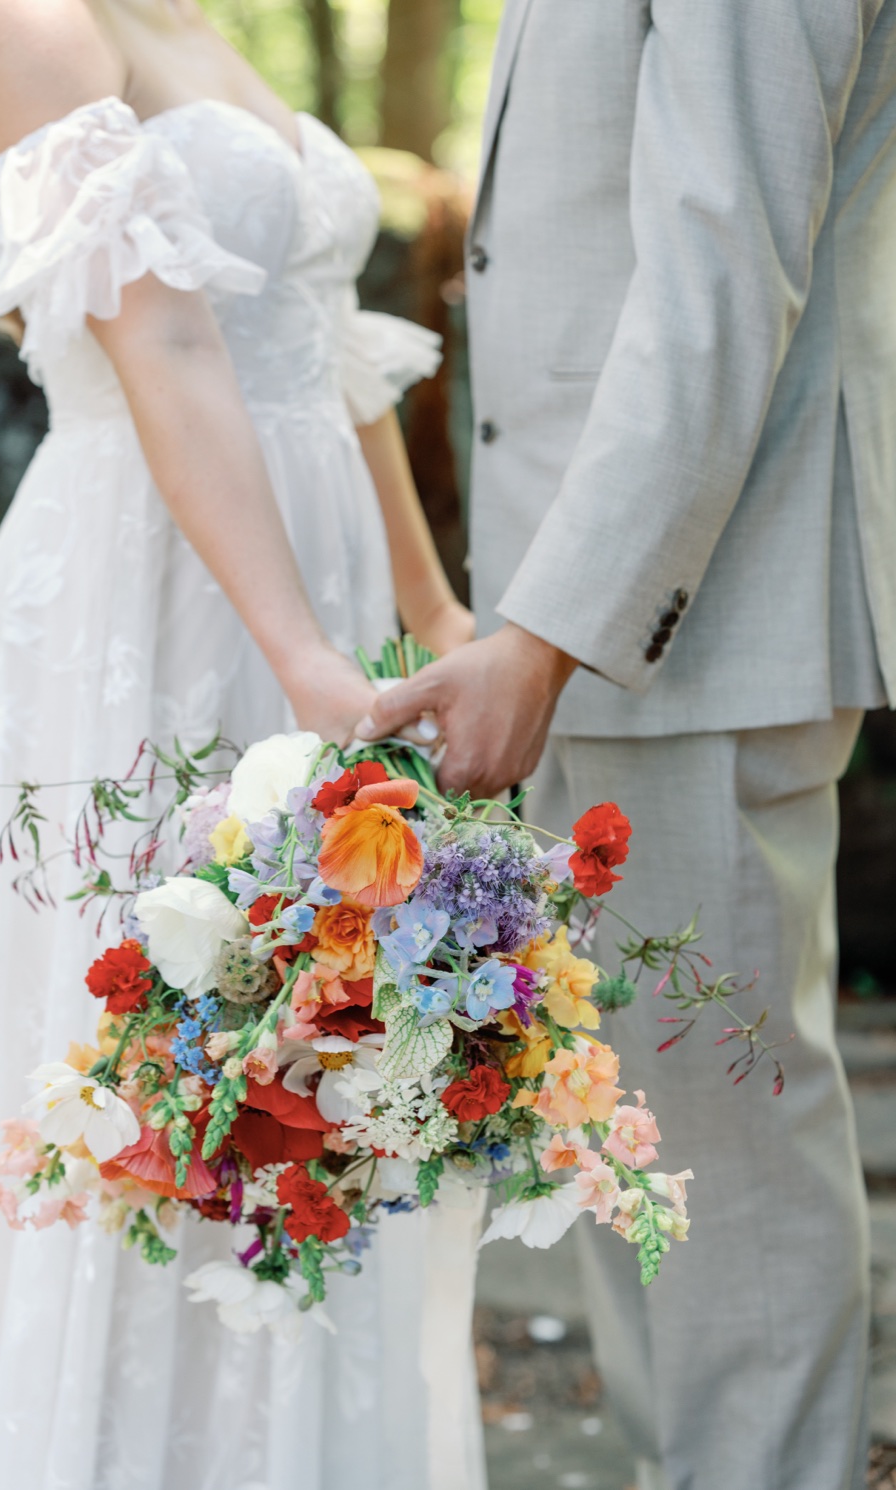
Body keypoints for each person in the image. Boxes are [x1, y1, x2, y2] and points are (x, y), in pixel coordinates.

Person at [0, 0, 480, 1484]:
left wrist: (424, 610)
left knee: (323, 1054)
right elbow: (158, 331)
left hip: (321, 577)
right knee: (156, 1059)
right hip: (147, 605)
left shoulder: (203, 24)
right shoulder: (29, 26)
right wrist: (297, 651)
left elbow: (323, 346)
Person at [362, 4, 896, 1487]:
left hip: (703, 610)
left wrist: (547, 631)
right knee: (633, 1146)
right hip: (615, 611)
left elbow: (723, 264)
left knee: (724, 1164)